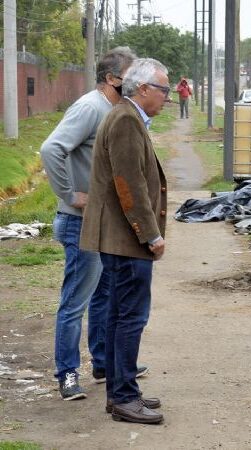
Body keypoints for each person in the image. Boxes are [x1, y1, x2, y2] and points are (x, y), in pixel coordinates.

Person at [40, 47, 150, 401]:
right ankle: (67, 372)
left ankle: (103, 363)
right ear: (110, 80)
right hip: (78, 222)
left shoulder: (115, 109)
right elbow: (51, 149)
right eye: (128, 79)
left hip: (101, 222)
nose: (133, 85)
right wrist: (71, 194)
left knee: (104, 296)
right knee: (76, 301)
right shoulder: (90, 108)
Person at [80, 58, 169, 424]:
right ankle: (123, 396)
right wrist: (150, 234)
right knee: (130, 318)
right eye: (163, 90)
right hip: (126, 238)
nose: (167, 97)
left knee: (120, 317)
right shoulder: (126, 120)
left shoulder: (124, 117)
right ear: (144, 89)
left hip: (120, 237)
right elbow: (128, 184)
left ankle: (121, 394)